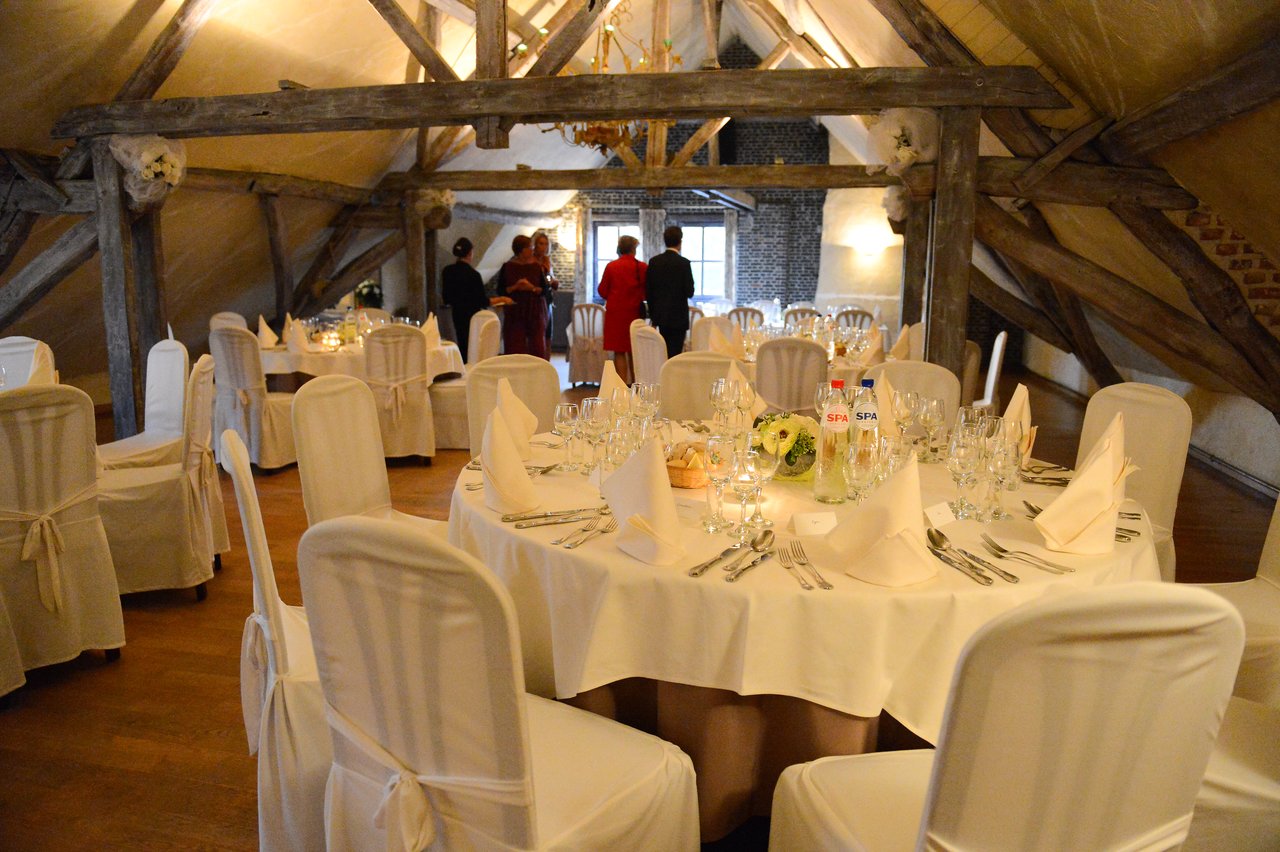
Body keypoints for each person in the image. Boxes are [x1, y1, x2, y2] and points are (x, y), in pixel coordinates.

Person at [597, 234, 647, 384]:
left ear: (619, 249)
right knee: (634, 351)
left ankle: (622, 386)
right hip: (634, 314)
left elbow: (602, 291)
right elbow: (646, 291)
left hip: (615, 314)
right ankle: (636, 385)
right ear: (634, 249)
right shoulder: (642, 267)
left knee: (619, 351)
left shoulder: (612, 267)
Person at [644, 225, 696, 359]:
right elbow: (689, 292)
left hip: (660, 316)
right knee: (675, 354)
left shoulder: (654, 262)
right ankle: (672, 379)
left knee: (662, 353)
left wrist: (654, 316)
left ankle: (663, 379)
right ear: (680, 242)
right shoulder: (684, 263)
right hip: (678, 316)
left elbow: (648, 291)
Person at [498, 234, 550, 359]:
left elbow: (545, 290)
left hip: (534, 311)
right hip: (515, 311)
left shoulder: (536, 267)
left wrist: (531, 288)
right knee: (515, 347)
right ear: (521, 250)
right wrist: (515, 287)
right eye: (529, 247)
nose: (532, 250)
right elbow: (500, 290)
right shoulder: (507, 267)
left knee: (537, 347)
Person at [440, 237, 488, 359]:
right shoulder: (474, 275)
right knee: (473, 344)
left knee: (461, 340)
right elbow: (482, 301)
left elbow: (446, 297)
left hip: (456, 312)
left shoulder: (447, 271)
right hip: (472, 314)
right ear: (470, 253)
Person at [532, 231, 559, 349]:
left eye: (545, 244)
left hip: (547, 298)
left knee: (548, 332)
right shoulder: (531, 260)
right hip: (535, 299)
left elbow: (550, 278)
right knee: (537, 333)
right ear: (535, 245)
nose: (543, 247)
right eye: (541, 244)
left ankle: (546, 361)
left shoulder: (547, 260)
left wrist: (553, 281)